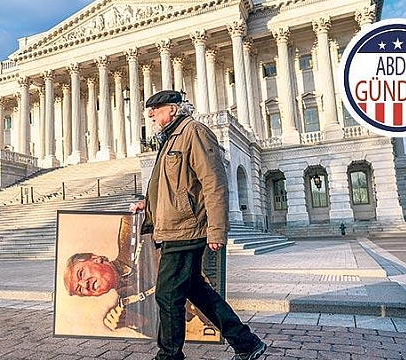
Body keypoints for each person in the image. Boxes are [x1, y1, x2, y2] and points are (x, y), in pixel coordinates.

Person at [129, 90, 267, 360]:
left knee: (167, 297)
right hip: (173, 227)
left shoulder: (194, 132)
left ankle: (169, 356)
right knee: (197, 291)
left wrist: (217, 229)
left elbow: (214, 182)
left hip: (186, 229)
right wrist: (147, 203)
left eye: (155, 110)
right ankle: (247, 344)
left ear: (171, 109)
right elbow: (171, 185)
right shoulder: (170, 138)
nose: (151, 115)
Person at [63, 215, 159, 337]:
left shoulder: (129, 229)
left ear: (95, 259)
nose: (85, 284)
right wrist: (141, 324)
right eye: (80, 290)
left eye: (81, 273)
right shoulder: (128, 310)